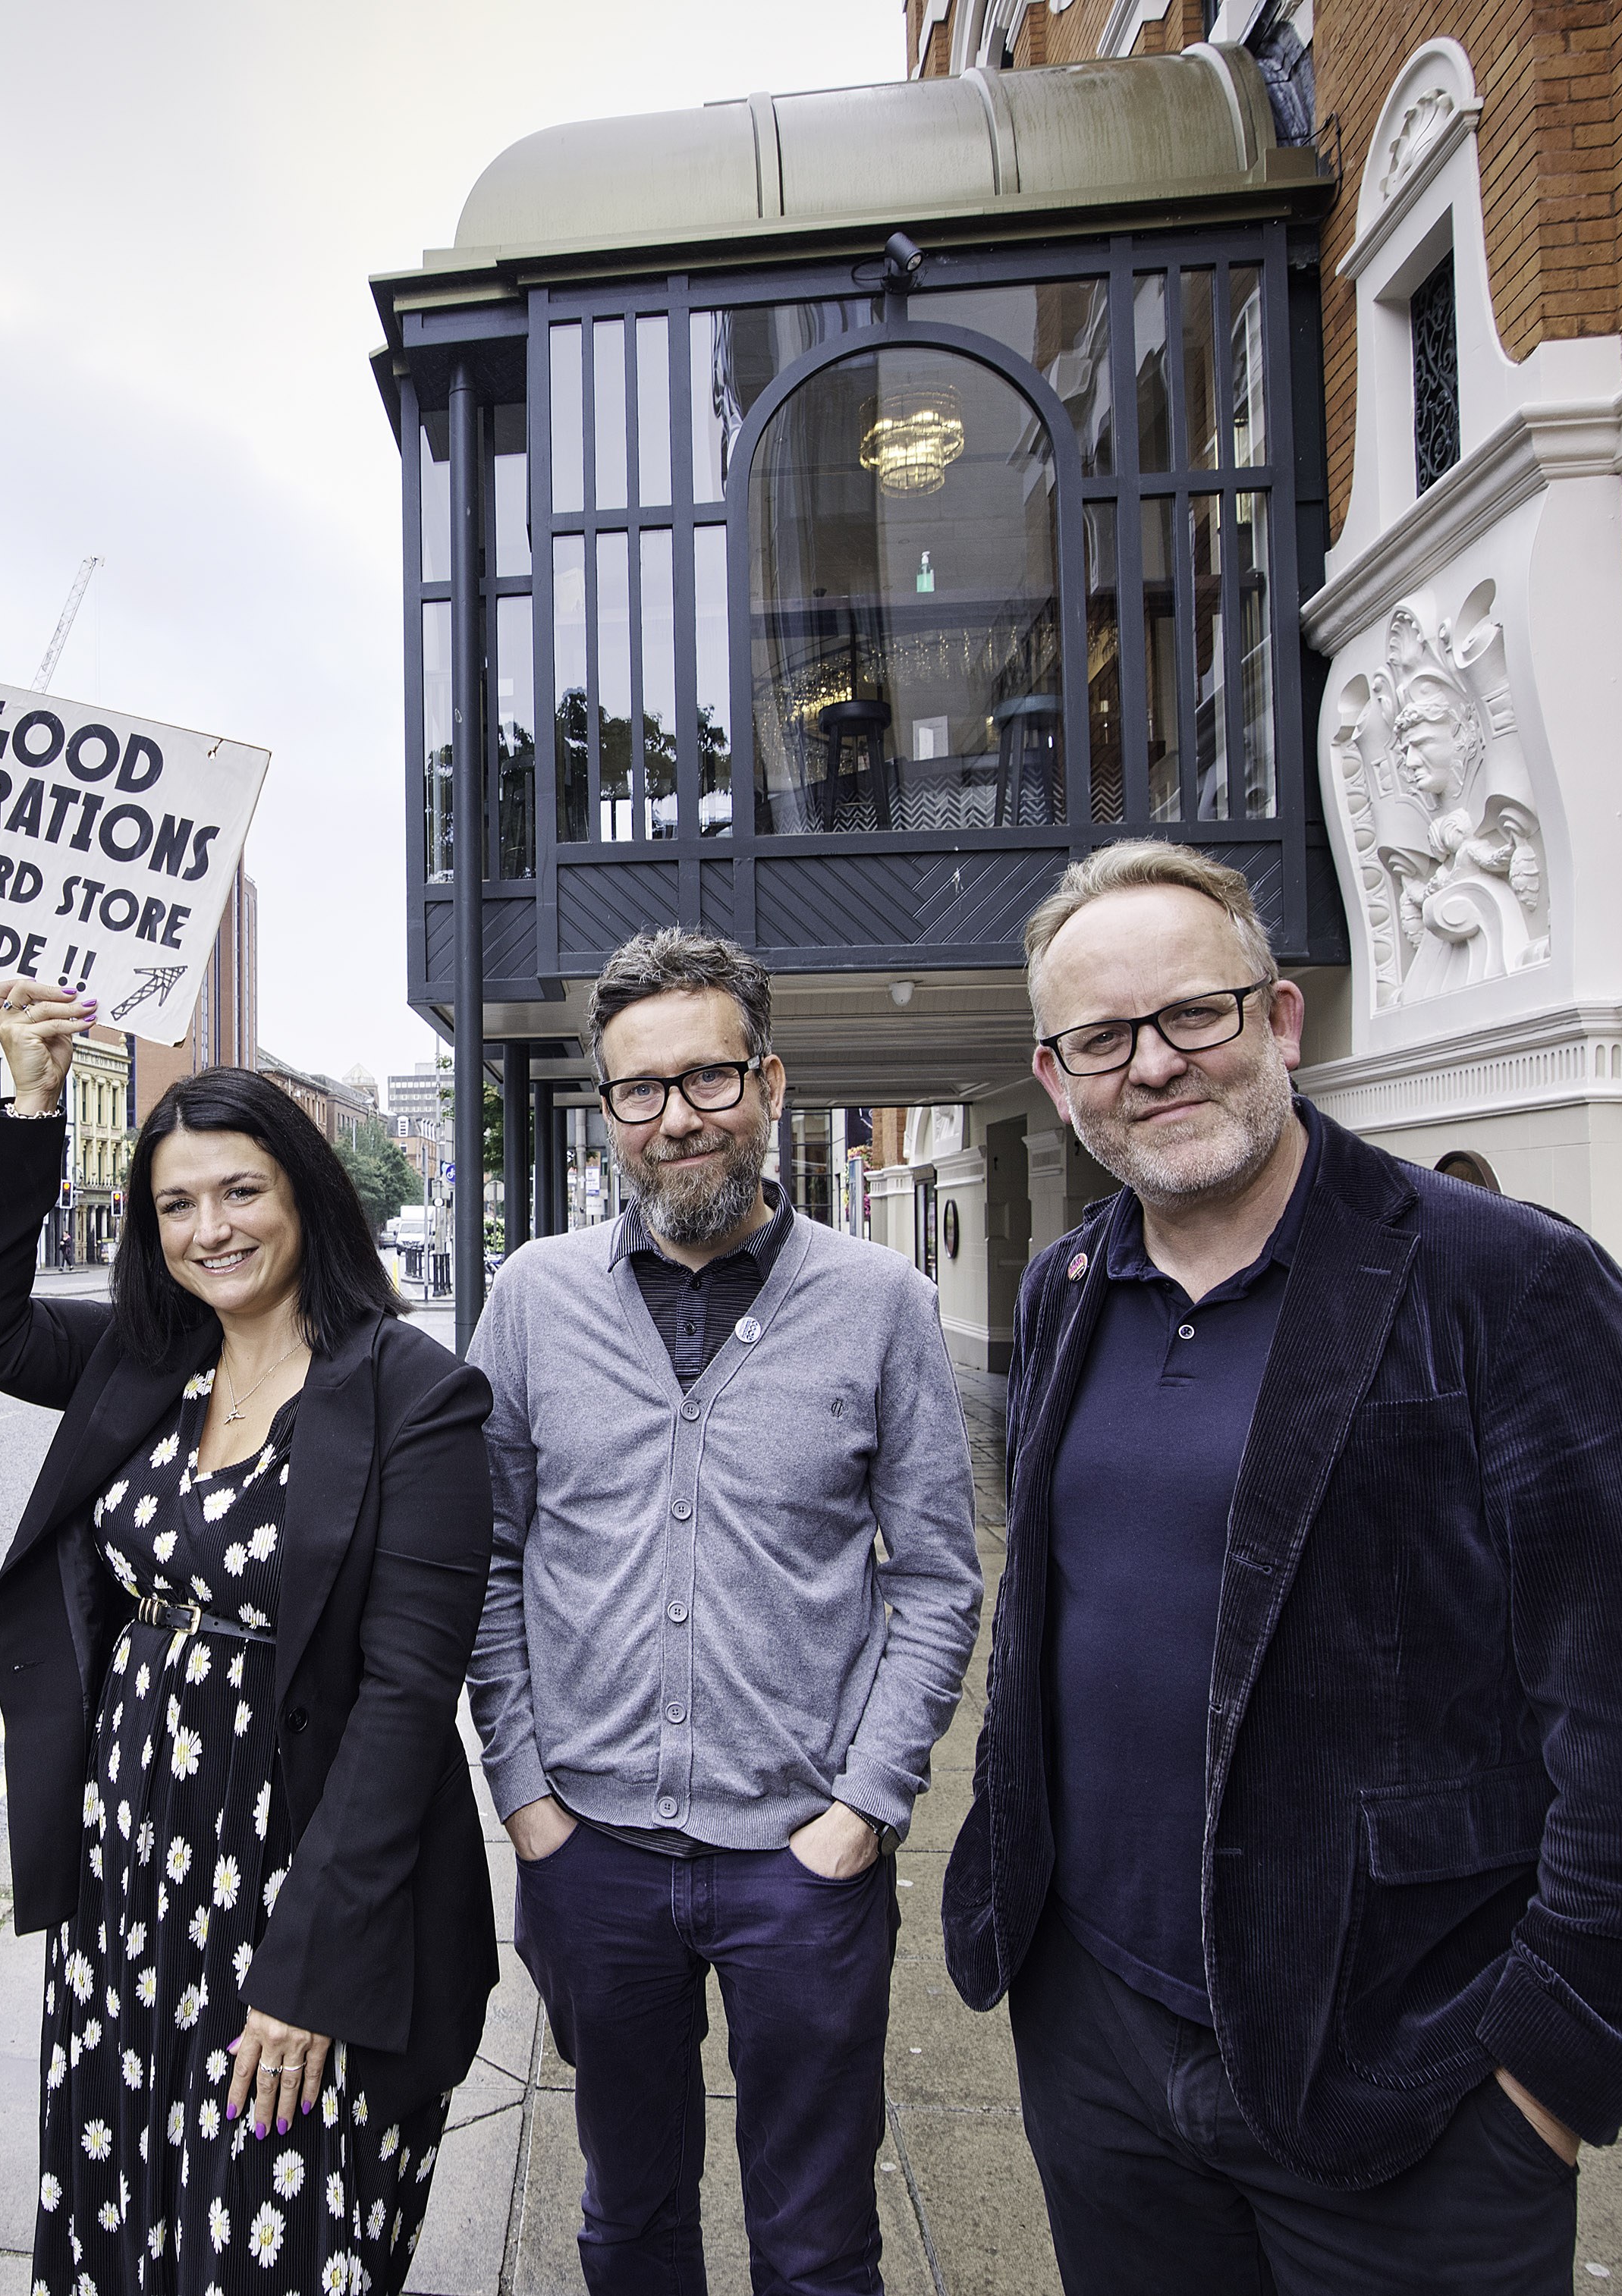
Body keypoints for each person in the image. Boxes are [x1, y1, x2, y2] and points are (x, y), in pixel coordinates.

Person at [944, 843, 1622, 2294]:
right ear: (1057, 1076)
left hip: (1402, 2069)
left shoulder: (1503, 1281)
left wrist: (1550, 2078)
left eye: (1195, 1013)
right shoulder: (1067, 1288)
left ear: (1280, 1021)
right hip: (1100, 2040)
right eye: (1104, 1039)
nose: (1156, 1065)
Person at [0, 978, 497, 2296]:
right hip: (130, 1870)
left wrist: (310, 1969)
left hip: (299, 1878)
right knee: (126, 2205)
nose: (210, 1228)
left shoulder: (415, 1394)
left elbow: (408, 1699)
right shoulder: (148, 1356)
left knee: (267, 2232)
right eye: (176, 1203)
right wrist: (27, 1098)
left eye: (240, 1191)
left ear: (304, 1193)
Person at [468, 927, 983, 2295]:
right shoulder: (530, 1298)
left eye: (707, 1078)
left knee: (817, 2243)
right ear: (608, 1107)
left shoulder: (883, 1304)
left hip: (800, 1863)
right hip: (593, 1857)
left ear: (769, 1084)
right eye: (641, 1088)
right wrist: (527, 1797)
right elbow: (487, 1556)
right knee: (628, 2221)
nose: (676, 1117)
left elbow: (936, 1576)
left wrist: (864, 1806)